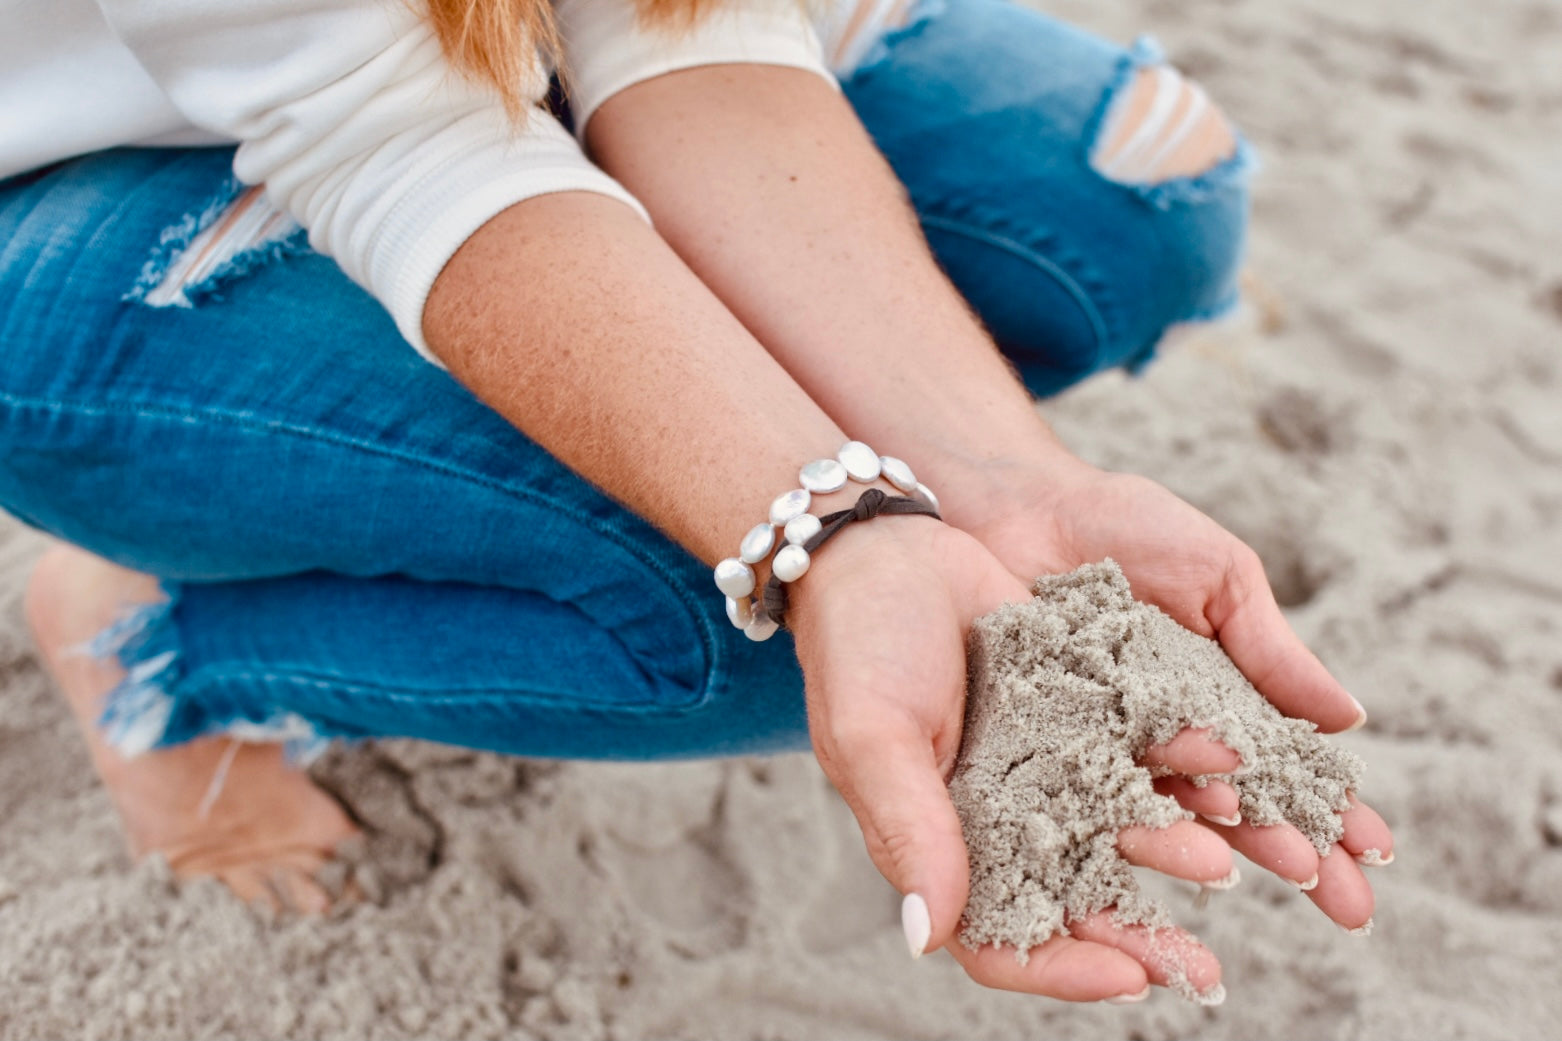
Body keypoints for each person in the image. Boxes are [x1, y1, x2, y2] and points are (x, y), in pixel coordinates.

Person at [1, 0, 1393, 1005]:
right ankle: (164, 636)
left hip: (482, 53)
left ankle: (329, 495)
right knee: (749, 613)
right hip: (80, 159)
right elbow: (399, 142)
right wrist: (831, 527)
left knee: (1124, 202)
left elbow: (687, 27)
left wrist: (994, 482)